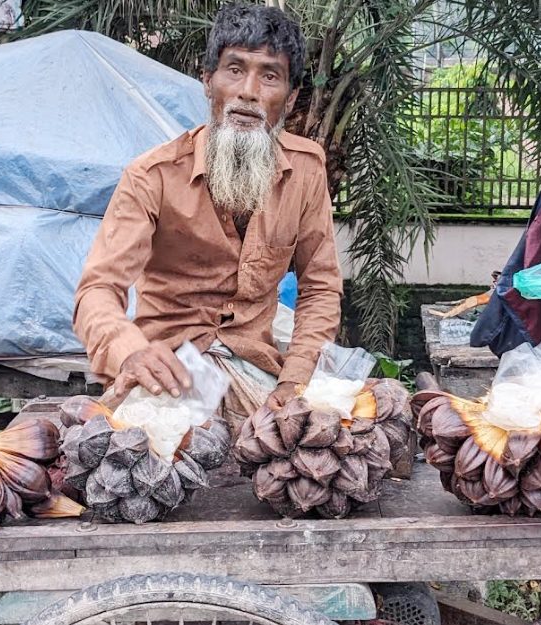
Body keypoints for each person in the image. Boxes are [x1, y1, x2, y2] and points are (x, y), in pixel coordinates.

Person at [73, 2, 341, 431]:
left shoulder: (306, 169)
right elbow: (98, 290)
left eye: (269, 76)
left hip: (259, 373)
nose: (248, 91)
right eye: (234, 69)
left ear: (290, 98)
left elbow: (320, 287)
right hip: (166, 377)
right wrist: (130, 352)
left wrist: (294, 382)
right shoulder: (151, 175)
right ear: (207, 81)